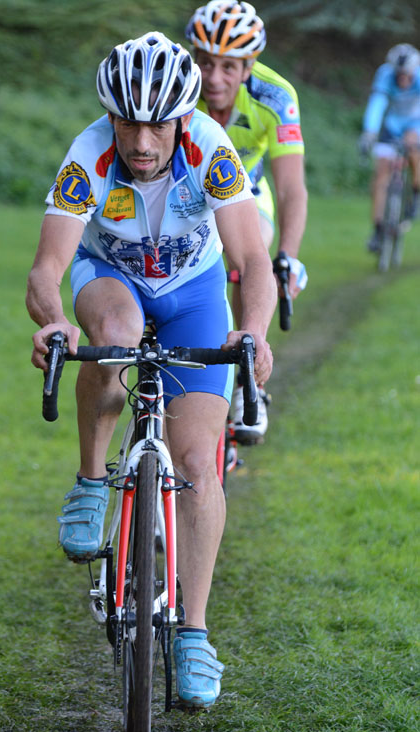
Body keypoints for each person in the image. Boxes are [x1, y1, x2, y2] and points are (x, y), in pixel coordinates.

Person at [26, 32, 276, 709]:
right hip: (111, 280)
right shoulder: (88, 156)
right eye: (127, 121)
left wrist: (250, 332)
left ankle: (192, 632)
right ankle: (88, 479)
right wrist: (53, 321)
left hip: (194, 293)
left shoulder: (211, 152)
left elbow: (252, 261)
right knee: (114, 335)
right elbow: (48, 269)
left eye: (156, 123)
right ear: (109, 115)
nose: (140, 140)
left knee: (198, 461)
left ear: (182, 118)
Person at [186, 1, 308, 445]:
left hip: (246, 192)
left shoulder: (275, 98)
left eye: (229, 66)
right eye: (205, 63)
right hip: (185, 194)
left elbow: (292, 189)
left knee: (250, 258)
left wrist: (287, 258)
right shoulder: (179, 89)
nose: (214, 78)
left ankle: (245, 381)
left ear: (249, 65)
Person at [358, 43, 420, 252]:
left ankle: (416, 193)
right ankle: (378, 228)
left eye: (406, 74)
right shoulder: (385, 75)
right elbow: (377, 104)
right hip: (393, 125)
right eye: (398, 74)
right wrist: (369, 132)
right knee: (381, 173)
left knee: (415, 154)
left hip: (416, 124)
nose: (402, 78)